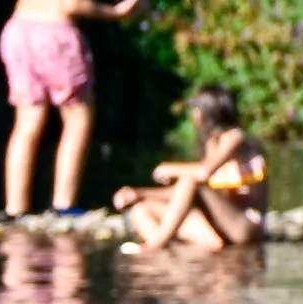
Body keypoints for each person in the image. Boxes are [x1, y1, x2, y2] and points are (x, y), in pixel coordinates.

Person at [0, 0, 146, 217]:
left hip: (19, 29)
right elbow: (72, 1)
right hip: (55, 35)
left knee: (28, 121)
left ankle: (15, 209)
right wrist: (119, 12)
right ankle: (64, 204)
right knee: (78, 117)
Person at [114, 84, 267, 252]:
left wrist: (169, 169)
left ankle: (155, 246)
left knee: (190, 179)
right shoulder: (211, 145)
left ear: (208, 112)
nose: (193, 115)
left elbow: (203, 173)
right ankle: (165, 258)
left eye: (195, 109)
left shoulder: (235, 137)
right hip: (218, 230)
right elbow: (184, 192)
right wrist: (138, 194)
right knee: (141, 210)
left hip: (244, 226)